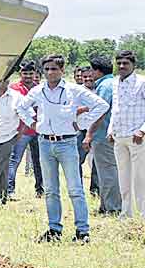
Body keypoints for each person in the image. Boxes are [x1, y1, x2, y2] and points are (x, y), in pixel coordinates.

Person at [14, 54, 109, 243]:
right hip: (45, 142)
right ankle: (54, 229)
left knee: (75, 189)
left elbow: (101, 105)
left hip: (67, 143)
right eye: (47, 69)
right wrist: (32, 124)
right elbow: (21, 108)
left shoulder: (73, 90)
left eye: (54, 69)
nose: (50, 72)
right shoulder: (38, 91)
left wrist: (81, 124)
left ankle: (82, 231)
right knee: (50, 189)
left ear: (62, 70)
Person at [109, 50, 145, 218]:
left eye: (126, 63)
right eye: (119, 63)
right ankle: (126, 213)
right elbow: (115, 109)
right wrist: (110, 130)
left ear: (133, 65)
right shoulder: (115, 83)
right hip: (119, 136)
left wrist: (142, 130)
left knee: (140, 177)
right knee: (123, 177)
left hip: (137, 137)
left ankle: (143, 214)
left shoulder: (141, 82)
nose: (122, 66)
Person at [83, 56, 121, 214]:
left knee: (107, 172)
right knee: (109, 171)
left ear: (98, 71)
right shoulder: (113, 83)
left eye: (92, 70)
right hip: (113, 134)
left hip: (103, 135)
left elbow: (100, 113)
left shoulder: (104, 86)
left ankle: (111, 208)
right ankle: (107, 205)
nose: (90, 74)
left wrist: (89, 135)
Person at [8, 62, 44, 197]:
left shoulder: (40, 88)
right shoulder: (14, 89)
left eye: (30, 73)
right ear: (20, 74)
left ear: (35, 74)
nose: (28, 76)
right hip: (20, 131)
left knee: (40, 161)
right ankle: (9, 190)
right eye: (25, 73)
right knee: (14, 160)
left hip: (39, 130)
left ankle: (41, 190)